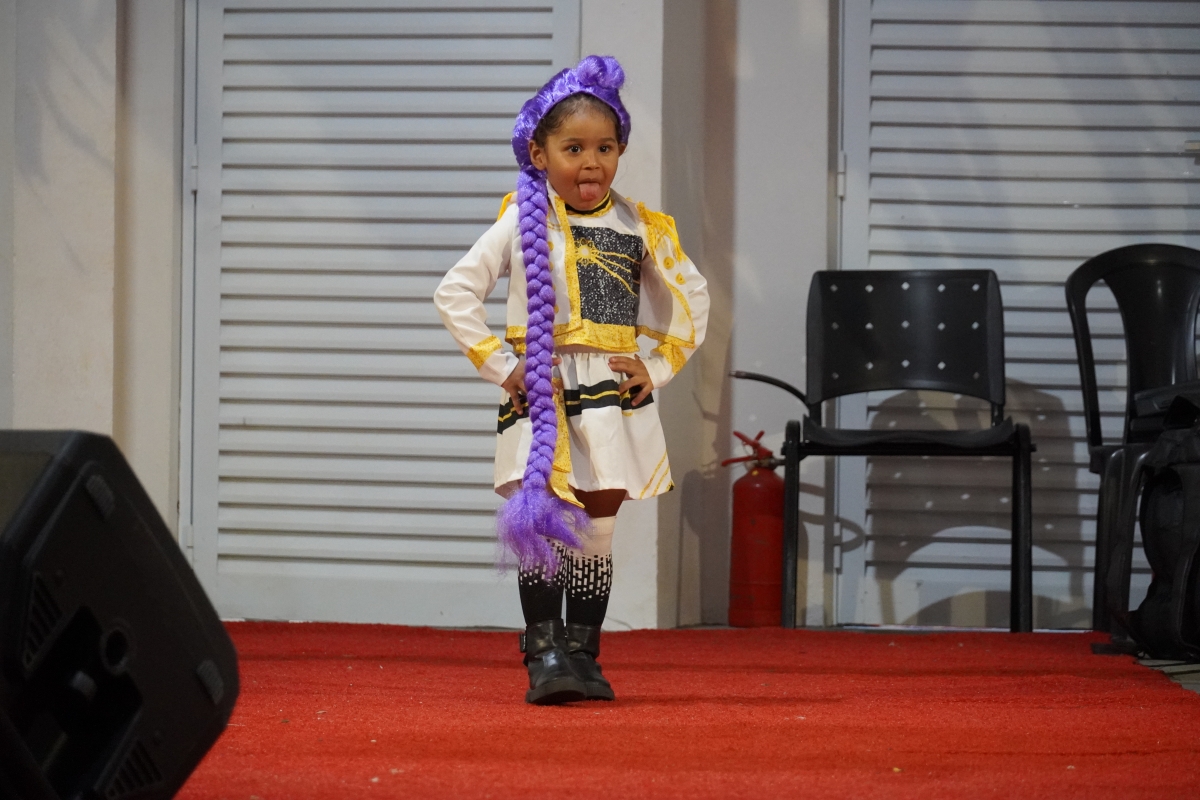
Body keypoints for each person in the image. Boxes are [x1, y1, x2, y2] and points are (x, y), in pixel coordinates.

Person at [434, 55, 709, 705]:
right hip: (545, 391)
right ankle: (543, 651)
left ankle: (583, 654)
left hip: (609, 397)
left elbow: (691, 299)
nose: (591, 163)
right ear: (540, 152)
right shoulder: (521, 219)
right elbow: (455, 293)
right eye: (574, 148)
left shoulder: (640, 225)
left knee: (596, 527)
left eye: (605, 148)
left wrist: (657, 367)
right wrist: (504, 368)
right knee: (544, 518)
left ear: (620, 151)